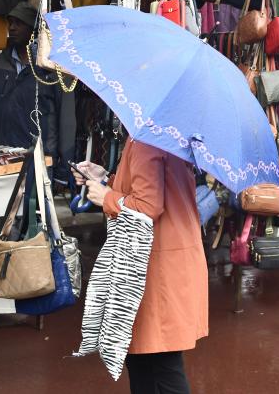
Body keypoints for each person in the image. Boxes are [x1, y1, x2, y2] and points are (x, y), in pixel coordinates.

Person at [73, 138, 208, 394]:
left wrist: (107, 197)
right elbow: (150, 187)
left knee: (158, 362)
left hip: (156, 264)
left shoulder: (147, 139)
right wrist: (106, 178)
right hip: (169, 258)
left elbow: (147, 206)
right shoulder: (167, 134)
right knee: (149, 358)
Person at [0, 2, 76, 181]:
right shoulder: (2, 61)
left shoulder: (52, 67)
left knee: (31, 200)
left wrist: (64, 167)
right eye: (11, 22)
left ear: (33, 29)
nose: (12, 28)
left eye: (19, 23)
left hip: (37, 159)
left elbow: (66, 120)